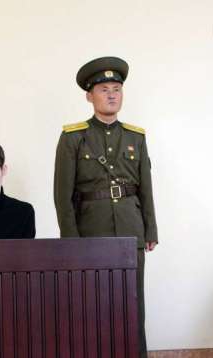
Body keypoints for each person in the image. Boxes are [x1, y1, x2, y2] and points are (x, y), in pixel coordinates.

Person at [53, 56, 158, 357]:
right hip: (90, 230)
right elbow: (62, 195)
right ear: (89, 95)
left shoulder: (135, 137)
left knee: (133, 304)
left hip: (130, 228)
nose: (112, 94)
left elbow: (146, 188)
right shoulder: (73, 137)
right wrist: (70, 241)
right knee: (91, 305)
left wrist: (150, 228)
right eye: (104, 89)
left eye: (116, 88)